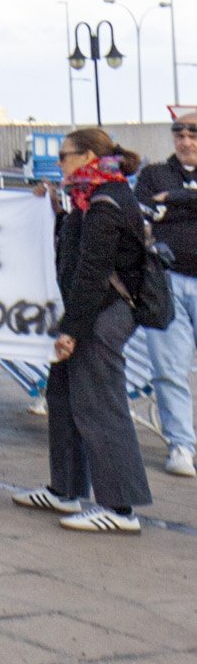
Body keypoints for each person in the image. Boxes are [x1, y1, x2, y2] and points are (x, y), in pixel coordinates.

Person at [16, 127, 154, 533]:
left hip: (103, 315)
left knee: (100, 406)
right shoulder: (87, 196)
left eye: (64, 155)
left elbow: (92, 272)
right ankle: (66, 488)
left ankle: (120, 507)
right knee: (62, 396)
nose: (58, 162)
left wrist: (71, 330)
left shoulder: (106, 202)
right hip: (89, 311)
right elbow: (71, 252)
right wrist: (56, 209)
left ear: (88, 156)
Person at [126, 107, 197, 479]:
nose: (185, 141)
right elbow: (144, 212)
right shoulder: (154, 175)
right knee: (168, 369)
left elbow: (163, 209)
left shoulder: (165, 185)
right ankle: (181, 444)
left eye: (193, 134)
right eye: (179, 134)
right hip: (166, 282)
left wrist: (177, 201)